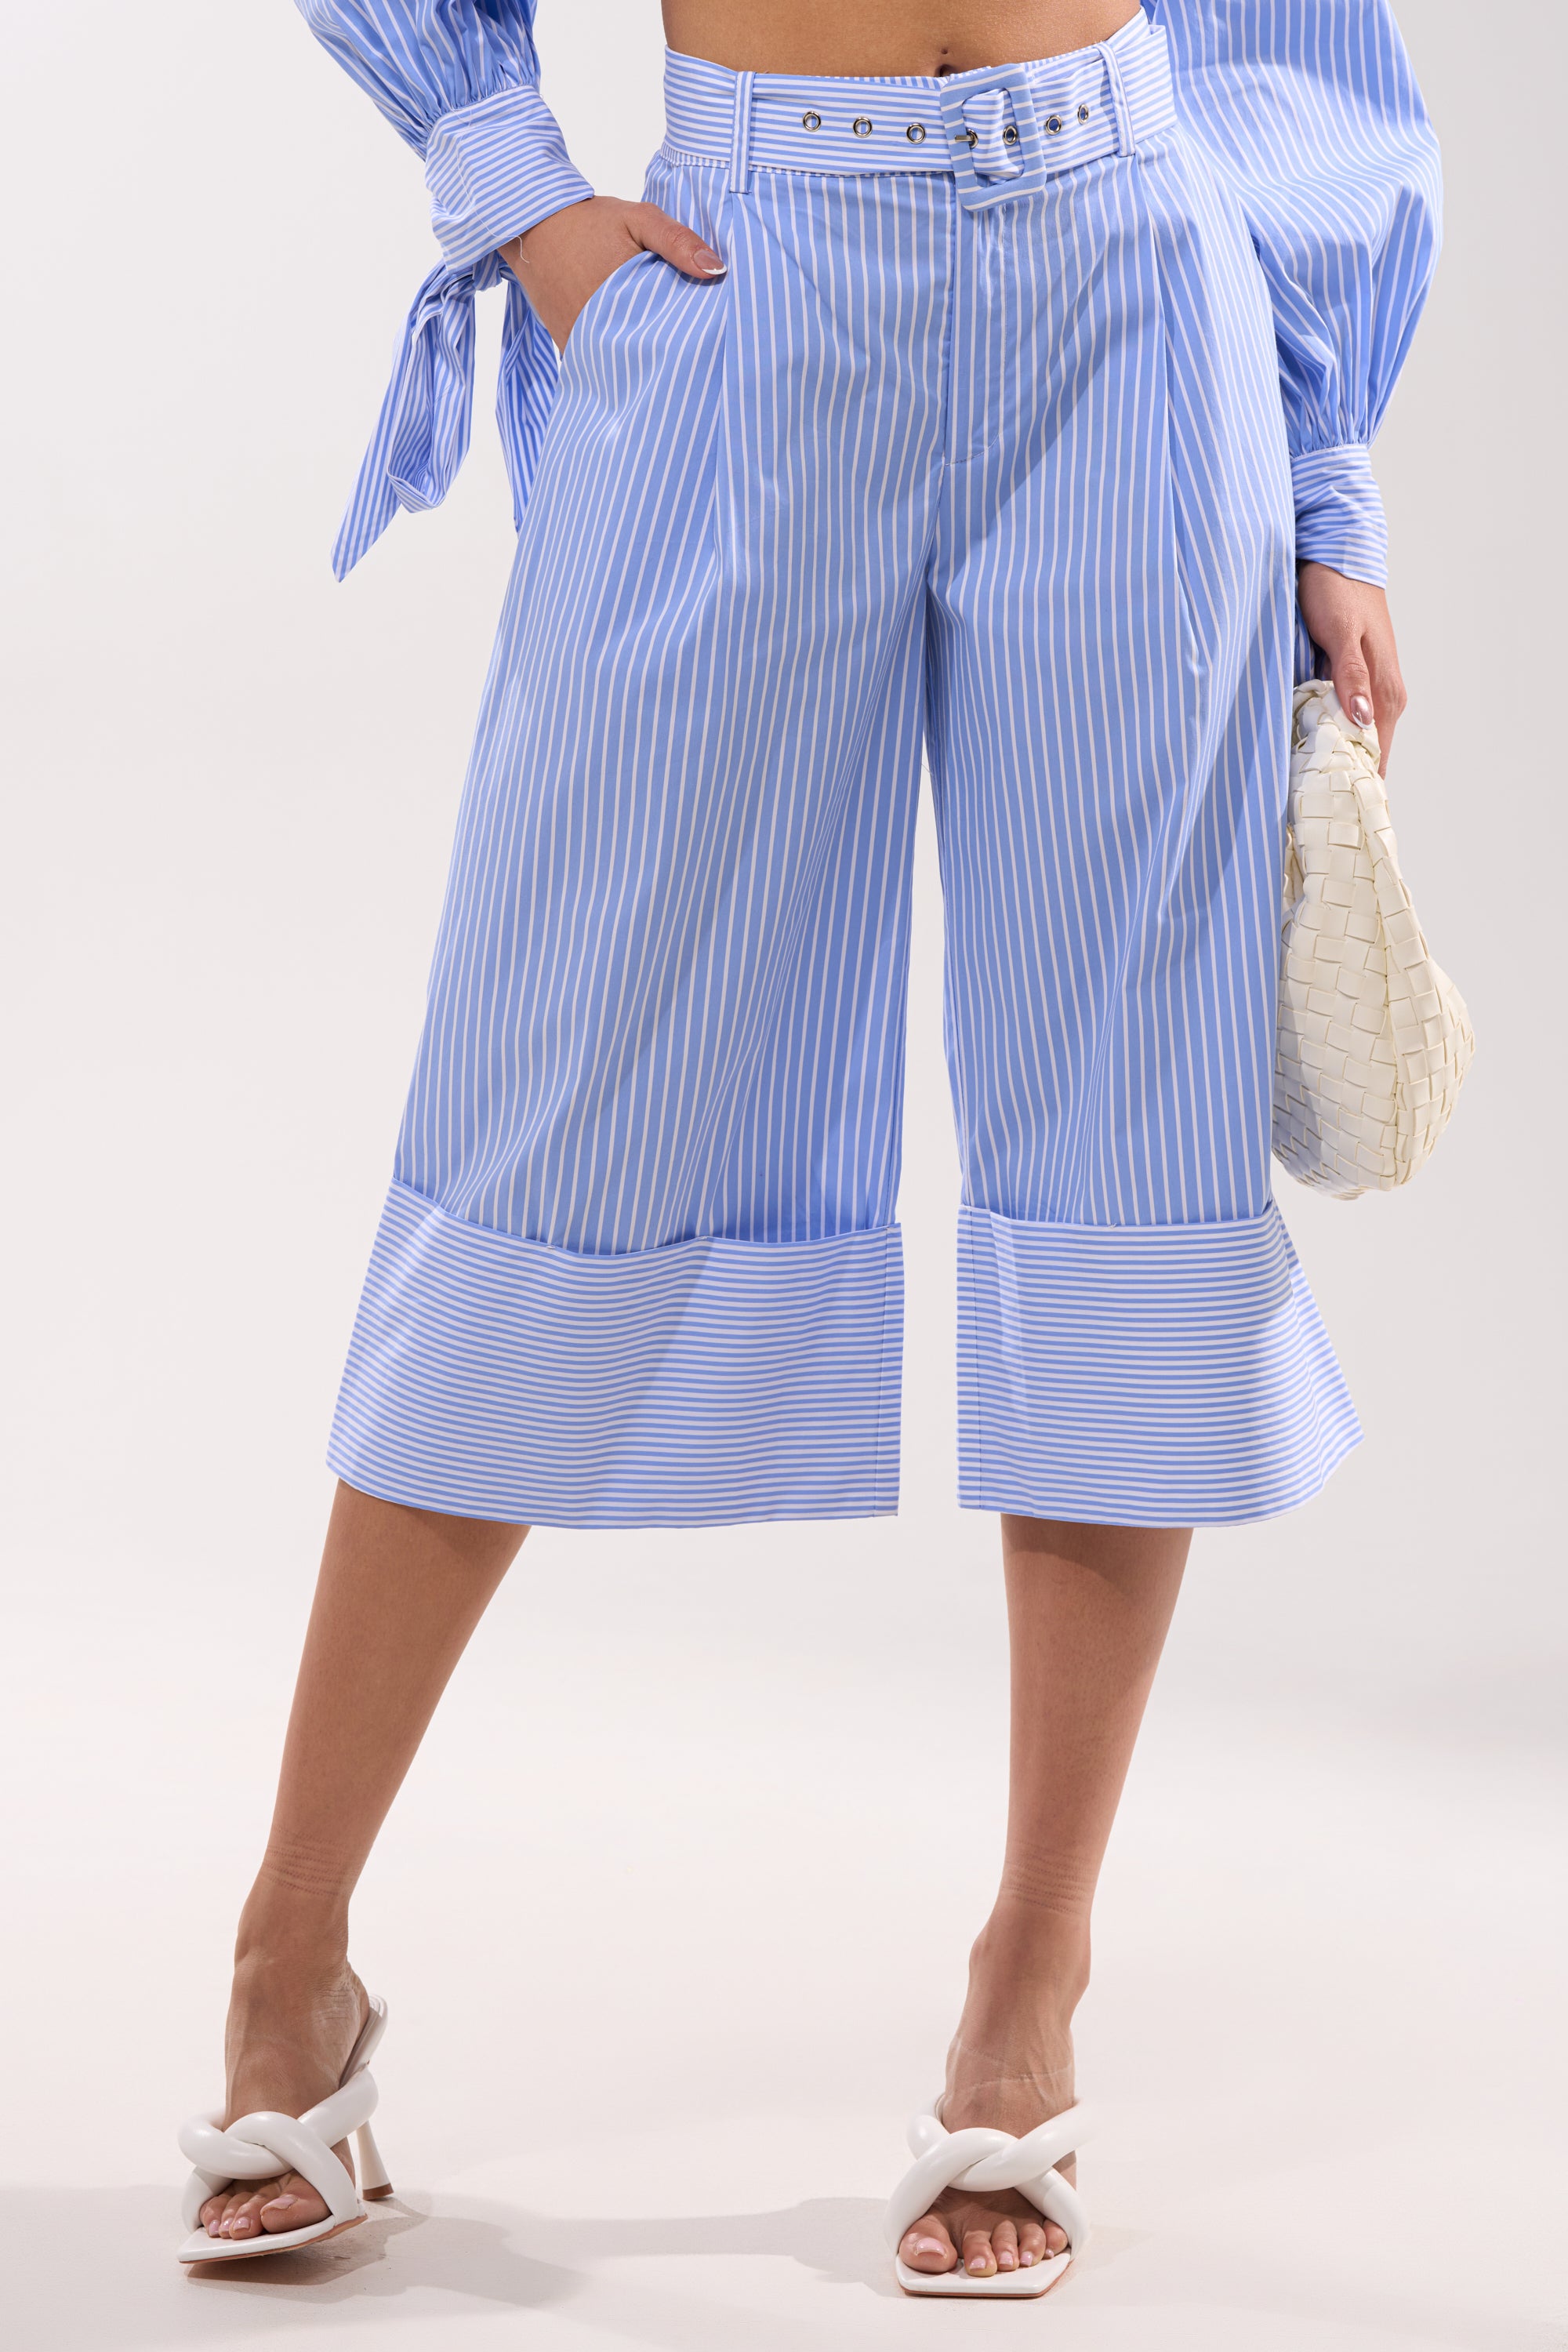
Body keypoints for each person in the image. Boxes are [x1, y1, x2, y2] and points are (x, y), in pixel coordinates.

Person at [179, 0, 1439, 2292]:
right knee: (549, 1124)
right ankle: (292, 1955)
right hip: (745, 285)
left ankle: (1023, 2003)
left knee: (1125, 1155)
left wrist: (1326, 461)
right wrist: (517, 197)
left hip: (1137, 292)